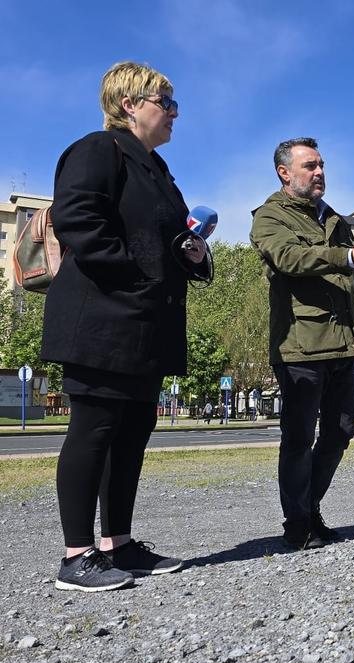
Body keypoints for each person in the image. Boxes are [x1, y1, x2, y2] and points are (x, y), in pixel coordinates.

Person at [41, 62, 210, 592]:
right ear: (131, 103)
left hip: (148, 323)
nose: (175, 112)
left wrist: (193, 254)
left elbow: (167, 239)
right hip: (102, 317)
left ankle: (118, 543)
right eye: (166, 101)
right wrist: (136, 274)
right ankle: (76, 555)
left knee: (133, 434)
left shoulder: (157, 169)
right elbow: (77, 220)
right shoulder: (97, 149)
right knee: (93, 430)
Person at [250, 138, 354, 551]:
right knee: (298, 438)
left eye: (321, 166)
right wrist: (349, 256)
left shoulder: (334, 219)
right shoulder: (268, 218)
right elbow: (289, 259)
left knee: (340, 431)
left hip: (346, 346)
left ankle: (309, 507)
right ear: (285, 173)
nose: (319, 173)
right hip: (301, 346)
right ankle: (297, 521)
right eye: (309, 166)